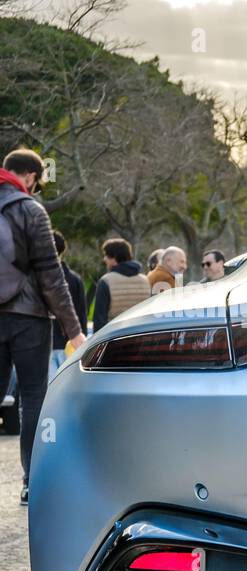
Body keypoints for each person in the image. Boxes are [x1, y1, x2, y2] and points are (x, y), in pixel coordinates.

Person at [0, 148, 86, 504]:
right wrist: (74, 329)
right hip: (28, 319)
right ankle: (31, 480)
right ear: (32, 178)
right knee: (33, 397)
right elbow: (51, 276)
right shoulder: (31, 210)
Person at [49, 230, 87, 374]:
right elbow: (81, 313)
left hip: (46, 343)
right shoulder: (75, 279)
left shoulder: (37, 279)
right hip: (71, 343)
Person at [91, 238, 149, 332]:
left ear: (114, 257)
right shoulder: (146, 280)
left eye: (106, 255)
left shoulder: (106, 281)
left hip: (115, 339)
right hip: (140, 337)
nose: (104, 259)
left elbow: (99, 321)